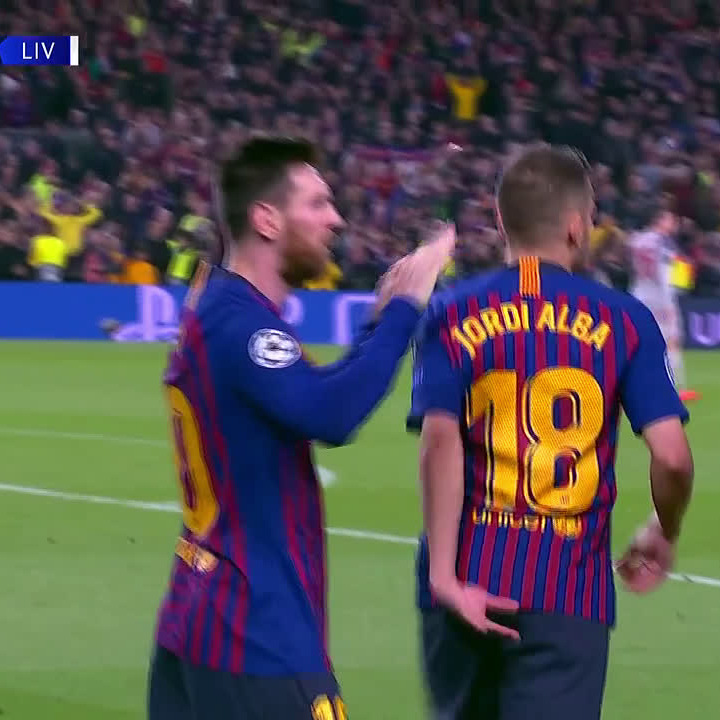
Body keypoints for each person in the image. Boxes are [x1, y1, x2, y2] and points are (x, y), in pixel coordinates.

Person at [146, 136, 456, 720]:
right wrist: (405, 309)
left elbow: (313, 395)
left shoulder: (220, 307)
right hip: (256, 635)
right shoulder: (240, 325)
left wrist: (376, 327)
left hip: (198, 622)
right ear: (267, 219)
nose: (335, 220)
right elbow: (332, 416)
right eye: (317, 204)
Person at [407, 143, 696, 720]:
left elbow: (439, 443)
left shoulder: (452, 311)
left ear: (500, 220)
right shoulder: (624, 319)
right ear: (575, 226)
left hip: (463, 580)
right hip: (567, 590)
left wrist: (443, 575)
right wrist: (664, 527)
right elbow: (672, 458)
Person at [628, 208, 697, 402]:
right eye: (670, 220)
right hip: (660, 298)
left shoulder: (636, 240)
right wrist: (669, 303)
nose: (673, 224)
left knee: (637, 342)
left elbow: (634, 269)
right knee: (672, 340)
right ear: (659, 220)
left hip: (639, 294)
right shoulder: (663, 242)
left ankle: (631, 385)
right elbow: (664, 275)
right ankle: (675, 388)